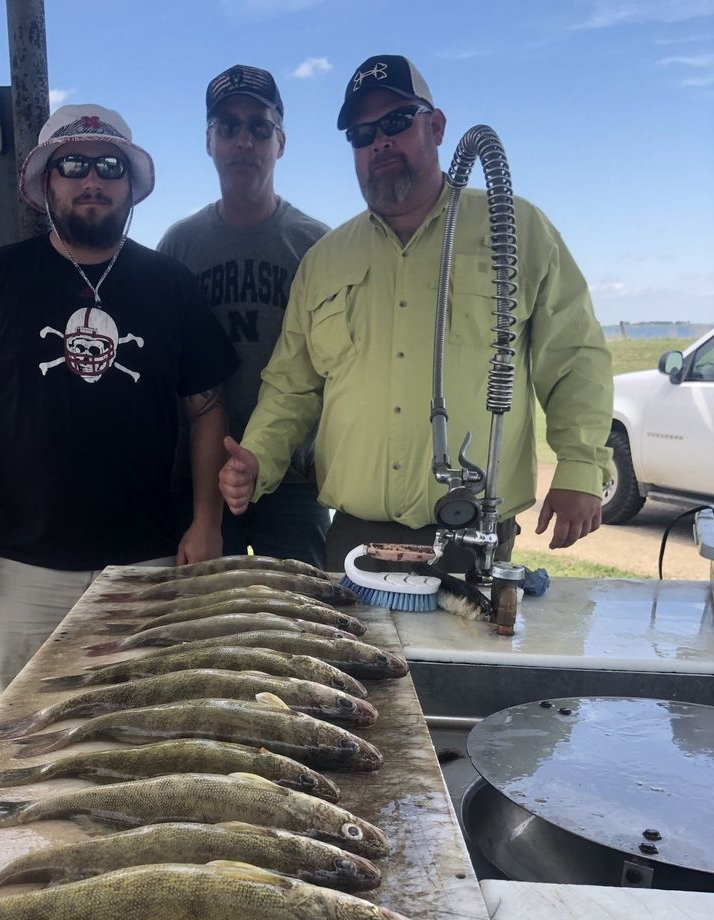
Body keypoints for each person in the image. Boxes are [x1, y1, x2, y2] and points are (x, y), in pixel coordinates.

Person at [219, 54, 613, 572]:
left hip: (472, 535)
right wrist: (257, 459)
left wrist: (581, 465)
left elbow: (574, 355)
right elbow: (291, 385)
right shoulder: (325, 259)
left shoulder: (513, 227)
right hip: (355, 539)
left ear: (437, 125)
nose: (379, 141)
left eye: (397, 122)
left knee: (463, 657)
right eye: (361, 134)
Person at [0, 104, 238, 719]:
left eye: (108, 166)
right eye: (72, 164)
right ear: (47, 181)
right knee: (10, 737)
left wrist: (207, 522)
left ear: (130, 185)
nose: (91, 179)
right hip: (22, 565)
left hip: (146, 563)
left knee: (142, 735)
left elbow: (207, 409)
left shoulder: (171, 284)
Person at [158, 65, 331, 567]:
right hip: (200, 478)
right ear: (209, 141)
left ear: (281, 142)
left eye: (259, 127)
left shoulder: (315, 245)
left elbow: (338, 363)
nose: (243, 141)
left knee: (305, 618)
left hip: (294, 481)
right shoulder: (179, 244)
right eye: (228, 127)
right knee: (204, 623)